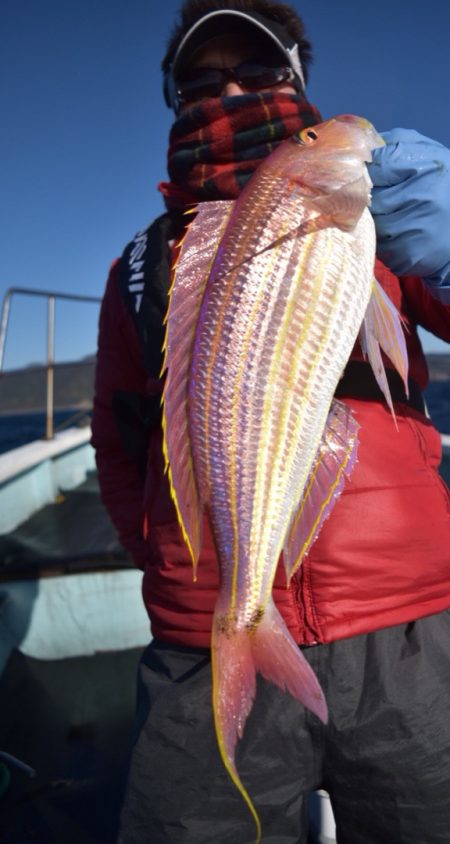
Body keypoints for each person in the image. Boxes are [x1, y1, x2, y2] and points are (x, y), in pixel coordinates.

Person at [91, 1, 450, 842]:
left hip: (405, 631)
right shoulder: (143, 266)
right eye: (202, 78)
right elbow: (119, 436)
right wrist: (170, 558)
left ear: (295, 84)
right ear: (174, 99)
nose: (229, 89)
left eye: (255, 71)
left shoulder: (386, 224)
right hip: (203, 633)